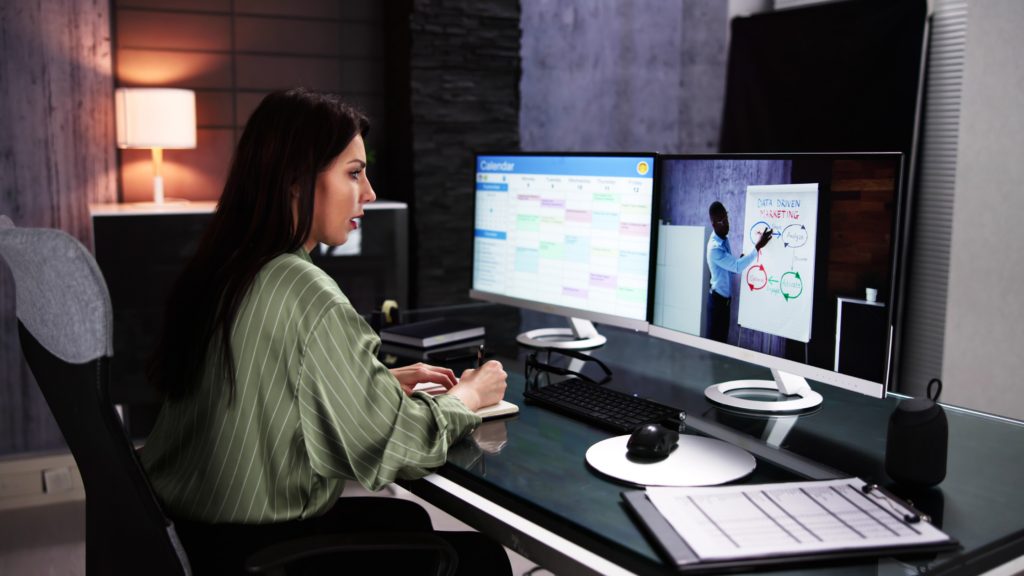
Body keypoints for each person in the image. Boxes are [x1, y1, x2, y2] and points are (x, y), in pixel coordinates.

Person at [142, 88, 512, 575]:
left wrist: (369, 384)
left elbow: (264, 389)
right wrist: (469, 394)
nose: (370, 193)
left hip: (193, 537)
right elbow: (394, 445)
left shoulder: (227, 268)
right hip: (257, 551)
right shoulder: (306, 290)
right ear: (296, 180)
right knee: (484, 560)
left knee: (411, 517)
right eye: (353, 173)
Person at [706, 201, 772, 343]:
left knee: (722, 344)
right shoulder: (715, 248)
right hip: (717, 303)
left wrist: (737, 263)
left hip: (725, 303)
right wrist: (758, 246)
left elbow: (730, 269)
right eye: (722, 221)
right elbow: (736, 267)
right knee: (712, 347)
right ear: (714, 224)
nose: (727, 223)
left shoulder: (724, 237)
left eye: (727, 218)